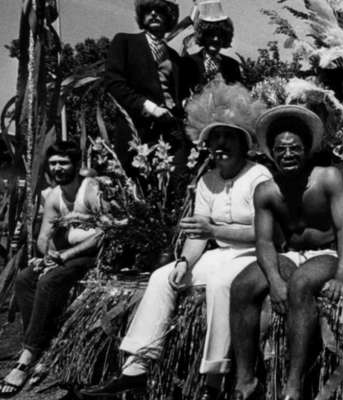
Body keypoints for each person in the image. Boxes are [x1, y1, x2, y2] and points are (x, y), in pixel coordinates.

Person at [81, 89, 271, 397]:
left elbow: (266, 233)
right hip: (220, 254)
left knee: (221, 284)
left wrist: (214, 231)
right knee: (162, 277)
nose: (221, 144)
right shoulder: (207, 180)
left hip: (253, 255)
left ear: (243, 142)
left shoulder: (259, 176)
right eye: (215, 138)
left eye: (228, 137)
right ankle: (136, 367)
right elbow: (197, 234)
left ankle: (214, 379)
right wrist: (184, 262)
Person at [230, 105, 343, 400]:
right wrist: (274, 280)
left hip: (326, 254)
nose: (287, 154)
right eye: (280, 149)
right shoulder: (266, 190)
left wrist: (342, 274)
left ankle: (293, 385)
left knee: (300, 284)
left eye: (294, 148)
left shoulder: (329, 178)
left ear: (307, 150)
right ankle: (245, 380)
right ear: (271, 153)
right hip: (289, 254)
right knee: (242, 285)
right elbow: (264, 242)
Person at [0, 141, 103, 397]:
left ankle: (26, 358)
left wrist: (64, 255)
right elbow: (44, 237)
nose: (57, 168)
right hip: (64, 256)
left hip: (94, 255)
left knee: (49, 281)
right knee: (25, 279)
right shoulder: (54, 196)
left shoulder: (91, 190)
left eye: (63, 163)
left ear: (76, 165)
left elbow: (105, 232)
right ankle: (39, 344)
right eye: (53, 163)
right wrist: (45, 257)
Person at [105, 0, 189, 174]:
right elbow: (114, 83)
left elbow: (180, 95)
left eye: (159, 10)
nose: (153, 14)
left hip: (172, 134)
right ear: (141, 16)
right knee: (139, 186)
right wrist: (151, 108)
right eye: (148, 10)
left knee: (177, 182)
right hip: (137, 133)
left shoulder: (174, 57)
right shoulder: (125, 42)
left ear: (169, 17)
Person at [182, 0, 242, 93]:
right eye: (211, 35)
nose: (215, 39)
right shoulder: (188, 63)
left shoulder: (232, 66)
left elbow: (239, 96)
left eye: (220, 35)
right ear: (203, 36)